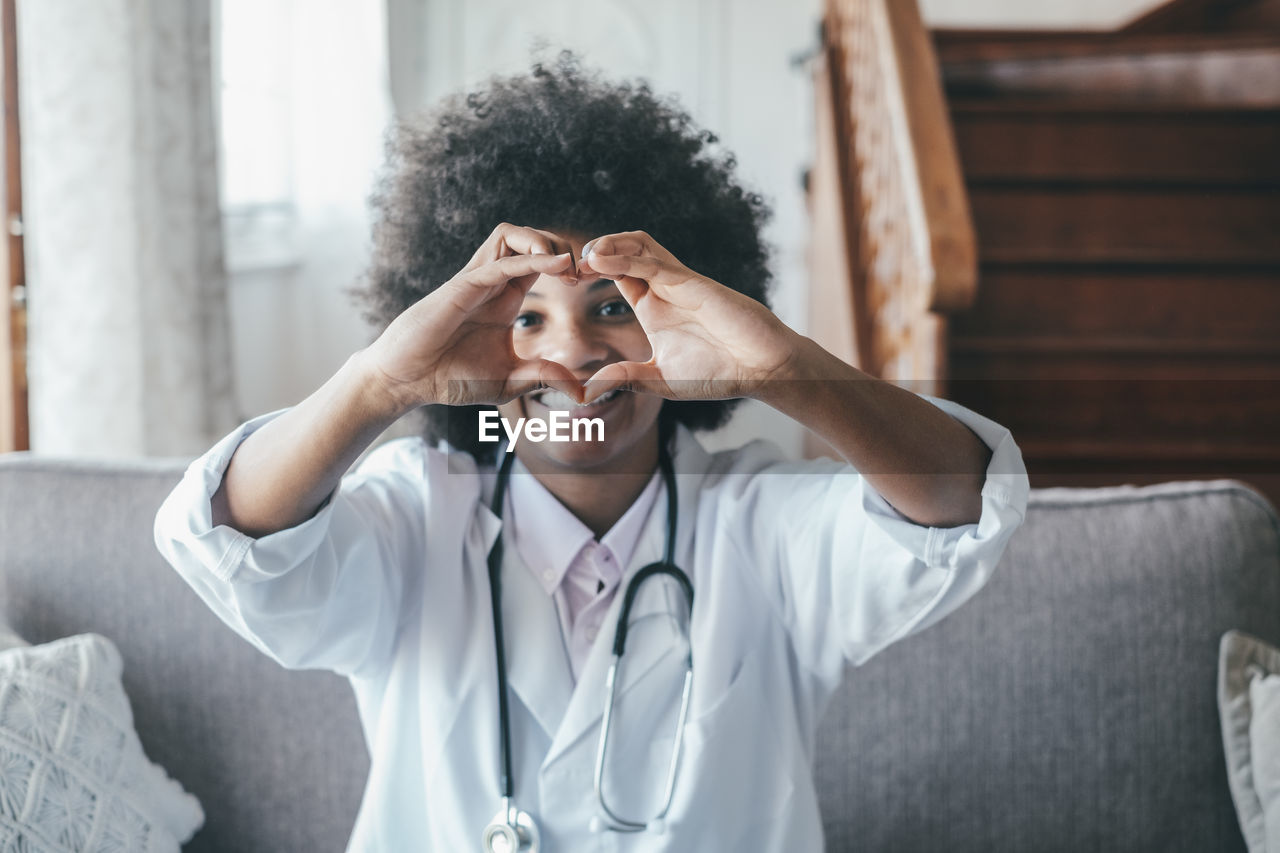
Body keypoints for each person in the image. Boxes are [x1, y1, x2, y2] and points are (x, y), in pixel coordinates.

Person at [155, 52, 1028, 852]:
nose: (572, 355)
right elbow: (236, 539)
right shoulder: (416, 513)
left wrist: (779, 366)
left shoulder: (764, 521)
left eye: (612, 307)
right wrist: (382, 381)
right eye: (524, 317)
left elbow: (956, 505)